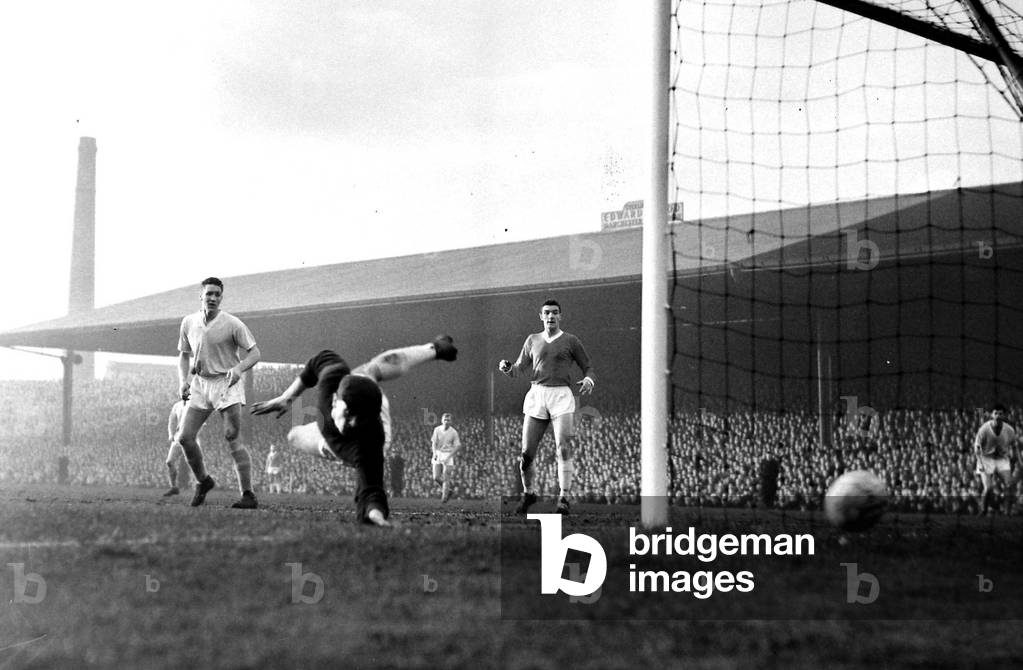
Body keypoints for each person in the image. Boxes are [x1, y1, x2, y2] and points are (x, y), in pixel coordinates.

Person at [251, 335, 458, 526]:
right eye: (348, 414)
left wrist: (374, 514)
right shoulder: (333, 381)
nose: (350, 423)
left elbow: (373, 489)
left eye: (356, 419)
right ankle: (435, 349)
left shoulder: (370, 440)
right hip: (349, 409)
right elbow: (321, 359)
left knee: (302, 437)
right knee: (366, 372)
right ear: (336, 399)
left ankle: (335, 452)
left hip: (351, 443)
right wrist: (288, 397)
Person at [498, 299, 594, 515]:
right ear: (541, 316)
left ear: (560, 316)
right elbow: (518, 369)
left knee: (563, 448)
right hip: (537, 395)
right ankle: (529, 493)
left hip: (561, 395)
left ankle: (564, 498)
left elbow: (588, 367)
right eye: (547, 313)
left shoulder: (571, 341)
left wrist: (589, 380)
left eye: (555, 313)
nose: (551, 316)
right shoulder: (532, 340)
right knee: (526, 454)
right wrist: (507, 368)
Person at [175, 277, 262, 509]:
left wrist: (238, 368)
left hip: (226, 382)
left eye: (217, 294)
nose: (212, 297)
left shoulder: (233, 324)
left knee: (232, 435)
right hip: (200, 384)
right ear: (200, 296)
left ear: (221, 298)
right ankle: (203, 481)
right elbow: (184, 354)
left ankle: (248, 494)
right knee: (184, 438)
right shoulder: (188, 322)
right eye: (209, 293)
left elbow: (255, 353)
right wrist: (184, 381)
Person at [973, 403, 1020, 515]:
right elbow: (977, 448)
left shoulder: (1009, 430)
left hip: (1001, 460)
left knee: (1009, 484)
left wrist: (1018, 459)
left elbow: (1014, 445)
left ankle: (1007, 511)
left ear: (1004, 416)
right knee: (988, 488)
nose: (998, 416)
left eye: (1000, 413)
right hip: (985, 459)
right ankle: (983, 510)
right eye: (996, 413)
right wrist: (981, 463)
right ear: (991, 415)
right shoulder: (984, 429)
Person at [163, 399, 195, 496]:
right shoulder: (177, 406)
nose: (186, 392)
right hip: (178, 438)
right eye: (184, 390)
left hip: (191, 437)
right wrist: (171, 434)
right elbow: (171, 421)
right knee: (169, 462)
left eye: (188, 389)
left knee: (195, 463)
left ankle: (199, 487)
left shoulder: (195, 404)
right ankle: (174, 487)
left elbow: (201, 422)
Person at [431, 412, 462, 502]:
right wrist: (434, 453)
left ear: (451, 421)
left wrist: (449, 456)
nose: (446, 421)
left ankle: (444, 498)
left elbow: (457, 446)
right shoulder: (437, 430)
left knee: (446, 476)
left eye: (448, 420)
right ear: (441, 420)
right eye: (445, 420)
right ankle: (448, 490)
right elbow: (434, 443)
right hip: (438, 453)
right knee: (436, 477)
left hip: (448, 454)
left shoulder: (453, 432)